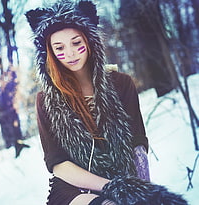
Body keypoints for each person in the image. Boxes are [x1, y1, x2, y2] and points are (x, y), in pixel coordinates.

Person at [25, 1, 188, 205]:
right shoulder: (45, 100)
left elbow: (137, 143)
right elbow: (58, 163)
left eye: (77, 43)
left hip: (124, 177)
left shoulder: (121, 84)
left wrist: (140, 191)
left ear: (90, 41)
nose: (71, 53)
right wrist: (111, 187)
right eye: (59, 47)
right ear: (49, 53)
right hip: (73, 188)